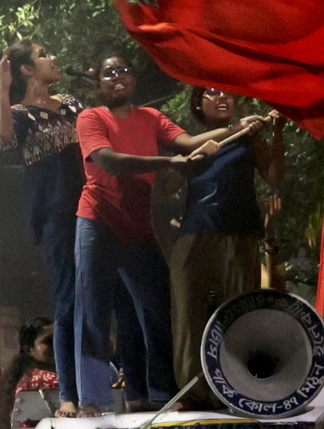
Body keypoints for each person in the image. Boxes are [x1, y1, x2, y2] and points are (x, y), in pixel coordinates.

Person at [74, 55, 266, 416]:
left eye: (124, 71)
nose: (118, 77)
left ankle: (163, 392)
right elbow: (110, 160)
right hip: (98, 219)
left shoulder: (152, 118)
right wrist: (166, 163)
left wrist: (237, 128)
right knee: (93, 309)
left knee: (160, 308)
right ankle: (92, 399)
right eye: (108, 73)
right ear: (97, 82)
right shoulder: (91, 117)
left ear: (134, 79)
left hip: (138, 224)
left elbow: (190, 141)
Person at [167, 86, 286, 410]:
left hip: (240, 235)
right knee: (188, 316)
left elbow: (274, 177)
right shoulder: (192, 141)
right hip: (195, 234)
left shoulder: (249, 138)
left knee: (237, 315)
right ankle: (192, 393)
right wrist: (188, 161)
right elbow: (167, 186)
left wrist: (276, 133)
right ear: (198, 103)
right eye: (212, 93)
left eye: (228, 94)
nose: (222, 98)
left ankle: (235, 389)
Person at [0, 40, 83, 417]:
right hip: (53, 214)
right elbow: (2, 141)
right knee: (68, 297)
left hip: (92, 207)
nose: (53, 58)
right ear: (27, 69)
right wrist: (3, 87)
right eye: (44, 55)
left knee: (100, 297)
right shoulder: (21, 114)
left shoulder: (72, 104)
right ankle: (70, 394)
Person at [0, 317, 59, 429]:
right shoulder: (43, 379)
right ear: (28, 349)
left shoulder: (23, 377)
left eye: (59, 338)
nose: (57, 345)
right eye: (48, 341)